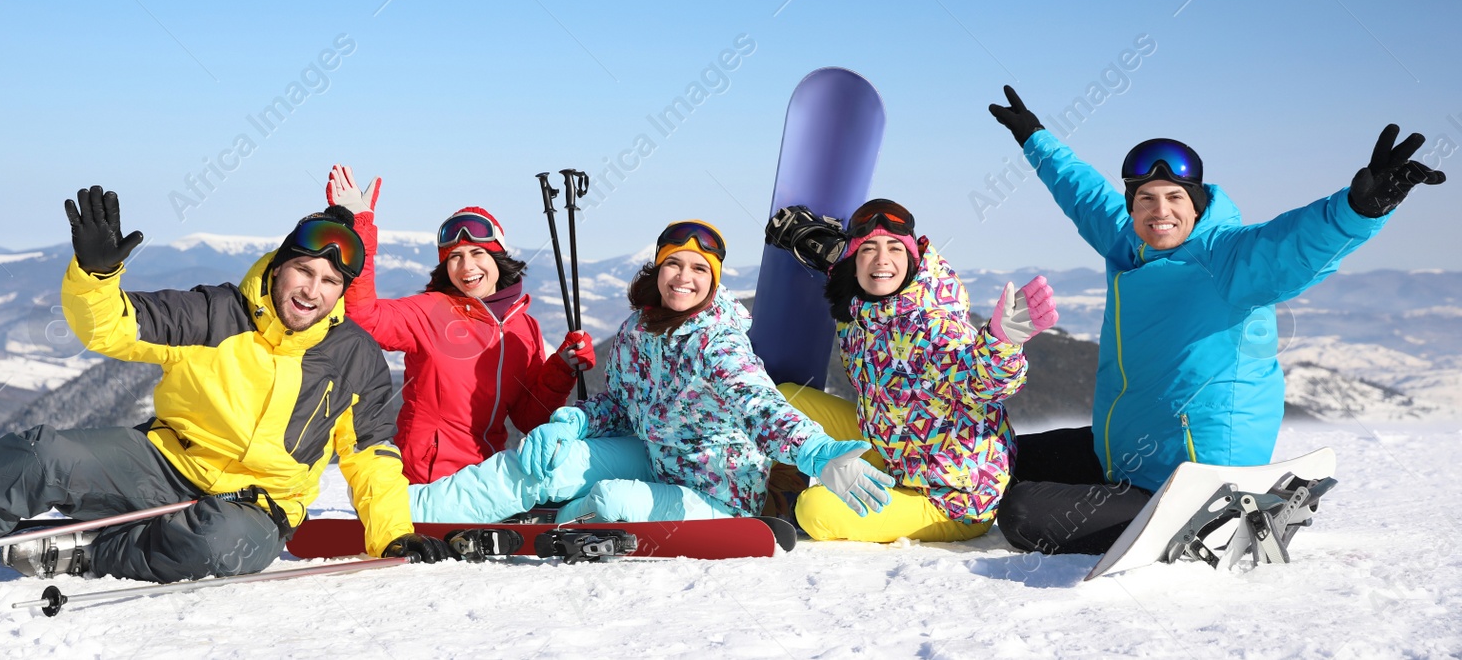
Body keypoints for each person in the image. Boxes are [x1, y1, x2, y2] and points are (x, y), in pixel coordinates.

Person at [0, 187, 449, 592]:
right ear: (279, 266)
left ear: (341, 291)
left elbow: (371, 456)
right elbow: (111, 329)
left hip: (255, 505)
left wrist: (392, 535)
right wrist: (95, 277)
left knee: (222, 550)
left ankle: (93, 550)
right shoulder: (214, 312)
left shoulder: (356, 359)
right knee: (43, 454)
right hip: (165, 463)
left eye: (329, 281)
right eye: (303, 270)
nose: (312, 290)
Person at [986, 87, 1447, 555]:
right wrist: (1034, 138)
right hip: (1131, 451)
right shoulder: (1130, 243)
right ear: (1133, 205)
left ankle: (1226, 520)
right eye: (1146, 198)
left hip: (1198, 478)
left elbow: (1293, 246)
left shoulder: (1227, 257)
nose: (1159, 211)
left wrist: (1358, 210)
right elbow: (1084, 194)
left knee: (1022, 514)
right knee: (997, 457)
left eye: (1173, 197)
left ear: (1197, 202)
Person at [514, 220, 895, 523]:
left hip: (722, 494)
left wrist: (817, 452)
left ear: (713, 280)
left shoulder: (717, 343)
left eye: (699, 268)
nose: (684, 277)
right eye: (674, 264)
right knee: (564, 469)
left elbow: (761, 407)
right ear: (658, 270)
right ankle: (550, 514)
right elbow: (620, 404)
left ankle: (561, 526)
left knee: (609, 499)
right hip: (663, 469)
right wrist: (573, 421)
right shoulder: (638, 330)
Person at [766, 199, 1056, 544]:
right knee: (784, 400)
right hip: (892, 449)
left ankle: (792, 505)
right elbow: (854, 267)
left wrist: (1001, 342)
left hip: (950, 497)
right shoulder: (863, 307)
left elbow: (983, 380)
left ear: (912, 260)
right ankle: (781, 488)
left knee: (815, 511)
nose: (881, 260)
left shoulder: (932, 325)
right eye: (868, 249)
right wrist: (819, 246)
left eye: (894, 249)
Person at [325, 165, 594, 486]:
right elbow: (363, 319)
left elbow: (528, 417)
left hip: (487, 478)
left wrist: (563, 367)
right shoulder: (431, 310)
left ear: (498, 259)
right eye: (455, 257)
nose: (467, 267)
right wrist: (358, 228)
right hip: (424, 480)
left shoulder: (525, 328)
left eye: (478, 253)